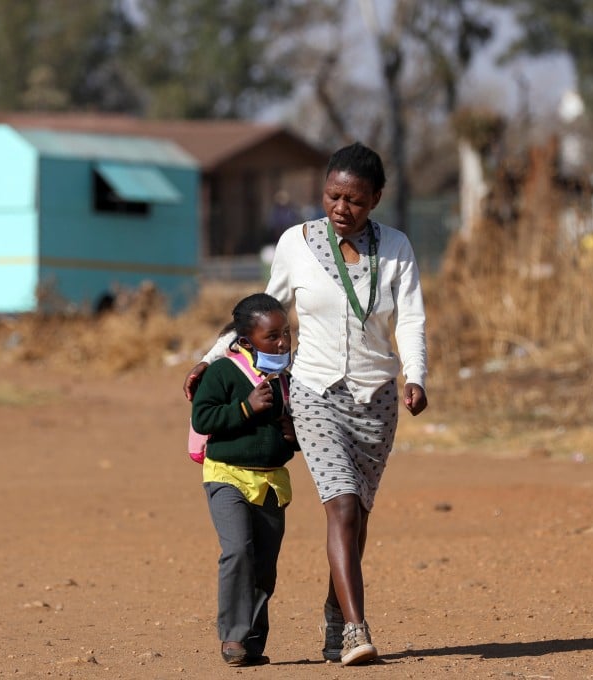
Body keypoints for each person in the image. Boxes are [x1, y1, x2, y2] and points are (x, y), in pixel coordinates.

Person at [183, 142, 428, 666]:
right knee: (338, 505)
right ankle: (357, 629)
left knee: (357, 516)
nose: (342, 208)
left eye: (355, 200)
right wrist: (210, 357)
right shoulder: (296, 242)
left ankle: (336, 615)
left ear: (376, 199)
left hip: (377, 397)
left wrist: (416, 376)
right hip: (314, 391)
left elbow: (410, 319)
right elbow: (263, 312)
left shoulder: (399, 249)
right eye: (333, 195)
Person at [190, 293, 300, 667]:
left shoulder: (290, 376)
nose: (282, 342)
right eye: (272, 337)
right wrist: (245, 408)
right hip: (227, 476)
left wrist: (293, 436)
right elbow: (202, 419)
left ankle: (252, 641)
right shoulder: (222, 372)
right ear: (247, 339)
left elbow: (300, 429)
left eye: (286, 333)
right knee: (237, 551)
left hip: (272, 483)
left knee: (264, 565)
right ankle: (233, 637)